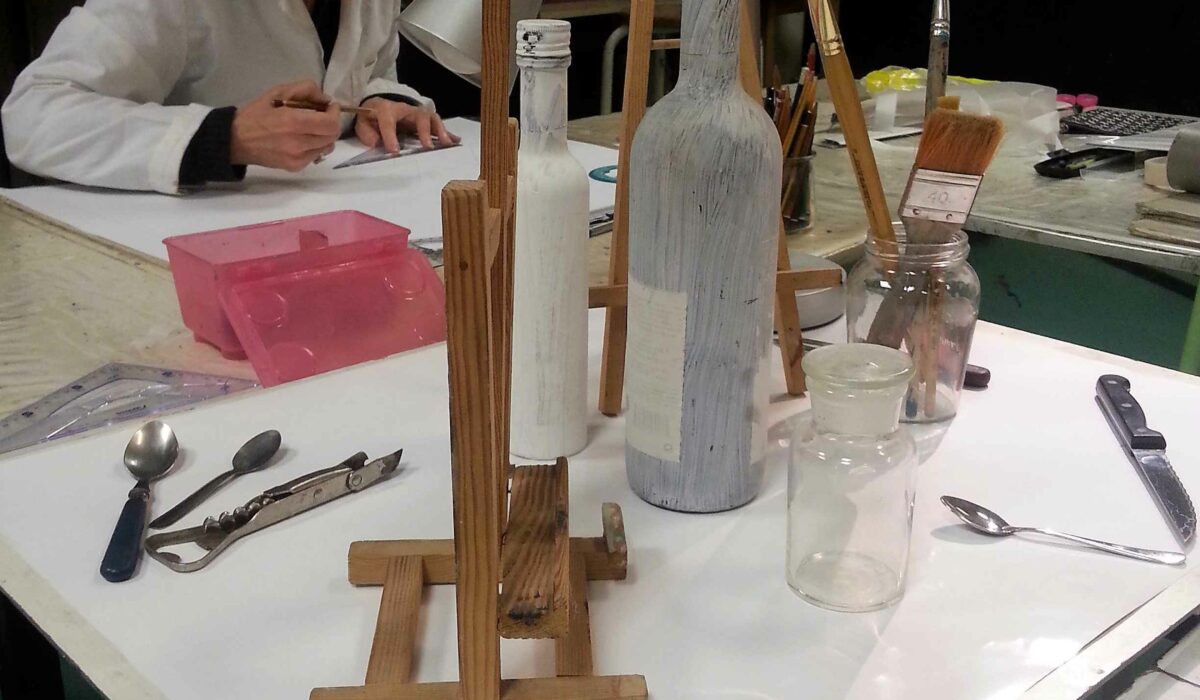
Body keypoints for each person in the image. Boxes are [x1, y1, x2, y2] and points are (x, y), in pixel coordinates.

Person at [1, 0, 461, 194]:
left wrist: (381, 100)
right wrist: (227, 137)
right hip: (175, 263)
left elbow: (372, 66)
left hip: (328, 230)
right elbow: (35, 111)